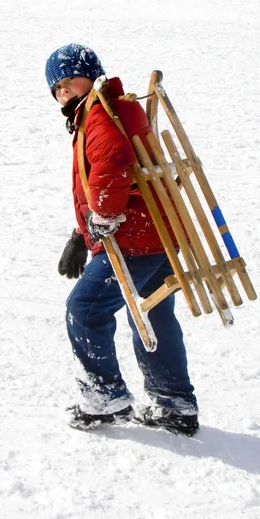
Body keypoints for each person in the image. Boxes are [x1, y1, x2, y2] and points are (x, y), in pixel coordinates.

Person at [45, 44, 199, 436]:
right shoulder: (111, 107)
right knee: (151, 312)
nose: (64, 90)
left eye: (70, 79)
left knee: (85, 309)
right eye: (56, 87)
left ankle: (104, 399)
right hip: (160, 230)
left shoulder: (99, 115)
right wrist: (82, 234)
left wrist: (104, 217)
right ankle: (174, 405)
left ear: (90, 75)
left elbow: (114, 161)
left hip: (135, 236)